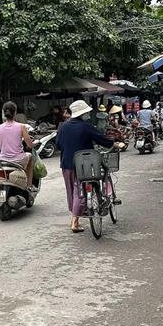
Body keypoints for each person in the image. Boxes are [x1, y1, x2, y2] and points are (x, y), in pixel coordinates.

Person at [56, 100, 117, 234]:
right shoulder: (86, 126)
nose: (88, 114)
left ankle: (76, 216)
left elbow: (58, 145)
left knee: (72, 191)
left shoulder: (63, 127)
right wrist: (113, 143)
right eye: (87, 112)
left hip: (67, 164)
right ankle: (75, 221)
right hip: (85, 164)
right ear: (82, 113)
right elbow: (102, 139)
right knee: (80, 190)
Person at [0, 101, 35, 187]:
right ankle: (29, 185)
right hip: (18, 160)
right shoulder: (21, 126)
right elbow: (30, 145)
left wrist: (4, 144)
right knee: (30, 157)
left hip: (3, 160)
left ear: (4, 113)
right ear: (15, 113)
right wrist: (33, 144)